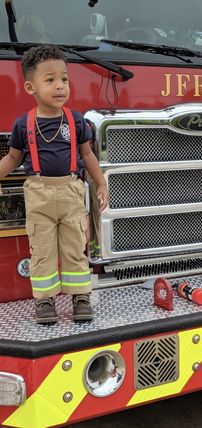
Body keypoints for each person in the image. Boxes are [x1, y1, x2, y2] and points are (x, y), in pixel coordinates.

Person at [0, 45, 108, 324]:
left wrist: (101, 184)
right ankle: (45, 301)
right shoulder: (24, 125)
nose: (60, 86)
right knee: (42, 249)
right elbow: (12, 158)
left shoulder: (76, 121)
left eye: (64, 79)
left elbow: (87, 155)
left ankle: (80, 297)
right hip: (39, 194)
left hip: (72, 191)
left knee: (75, 248)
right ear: (30, 87)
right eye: (50, 80)